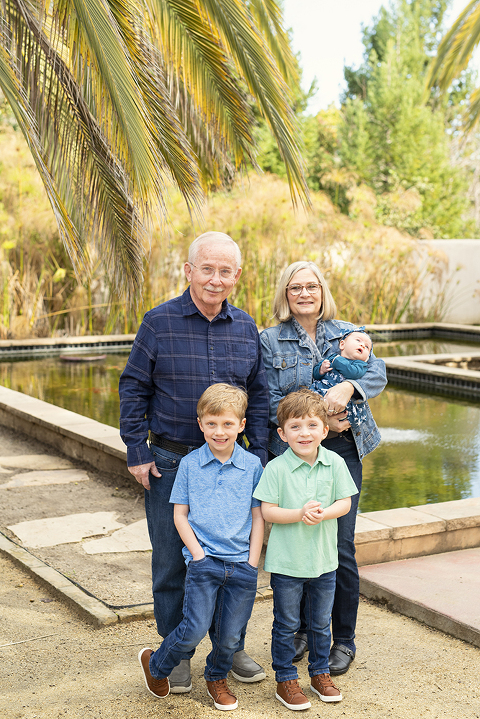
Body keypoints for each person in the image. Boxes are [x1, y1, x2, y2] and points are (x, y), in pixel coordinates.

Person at [119, 231, 269, 691]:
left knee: (234, 560)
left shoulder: (245, 327)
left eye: (225, 271)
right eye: (207, 268)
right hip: (170, 461)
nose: (215, 279)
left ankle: (230, 647)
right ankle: (176, 650)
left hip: (231, 469)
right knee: (170, 562)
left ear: (236, 276)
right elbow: (132, 387)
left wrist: (258, 455)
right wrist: (137, 450)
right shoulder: (158, 322)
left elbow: (259, 396)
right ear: (189, 271)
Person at [260, 261, 387, 676]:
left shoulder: (347, 331)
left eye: (311, 286)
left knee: (340, 546)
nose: (304, 294)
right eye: (295, 287)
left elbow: (378, 371)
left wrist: (350, 386)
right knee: (296, 540)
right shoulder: (270, 340)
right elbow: (268, 398)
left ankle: (343, 640)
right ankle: (297, 632)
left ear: (321, 290)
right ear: (285, 293)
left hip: (343, 451)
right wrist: (319, 421)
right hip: (295, 454)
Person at [138, 384, 264, 711]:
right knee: (193, 627)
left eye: (227, 424)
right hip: (203, 563)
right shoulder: (190, 465)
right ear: (200, 424)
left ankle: (216, 677)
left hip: (241, 565)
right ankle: (156, 665)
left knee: (230, 636)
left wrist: (252, 561)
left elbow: (258, 516)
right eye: (211, 424)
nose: (219, 432)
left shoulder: (252, 466)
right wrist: (197, 554)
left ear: (241, 425)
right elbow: (180, 515)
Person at [253, 389, 358, 710]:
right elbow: (268, 511)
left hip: (324, 562)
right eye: (295, 427)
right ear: (282, 434)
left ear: (325, 431)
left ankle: (319, 673)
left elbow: (345, 502)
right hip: (287, 564)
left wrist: (323, 513)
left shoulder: (336, 462)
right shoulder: (276, 469)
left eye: (312, 425)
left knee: (320, 621)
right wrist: (300, 514)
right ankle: (285, 678)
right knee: (285, 623)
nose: (304, 433)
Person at [310, 329, 373, 433]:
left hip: (342, 402)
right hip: (321, 391)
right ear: (342, 345)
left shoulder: (361, 365)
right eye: (358, 341)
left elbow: (352, 373)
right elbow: (315, 374)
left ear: (367, 358)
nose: (362, 345)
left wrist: (338, 361)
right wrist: (321, 369)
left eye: (367, 347)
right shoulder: (333, 357)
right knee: (307, 402)